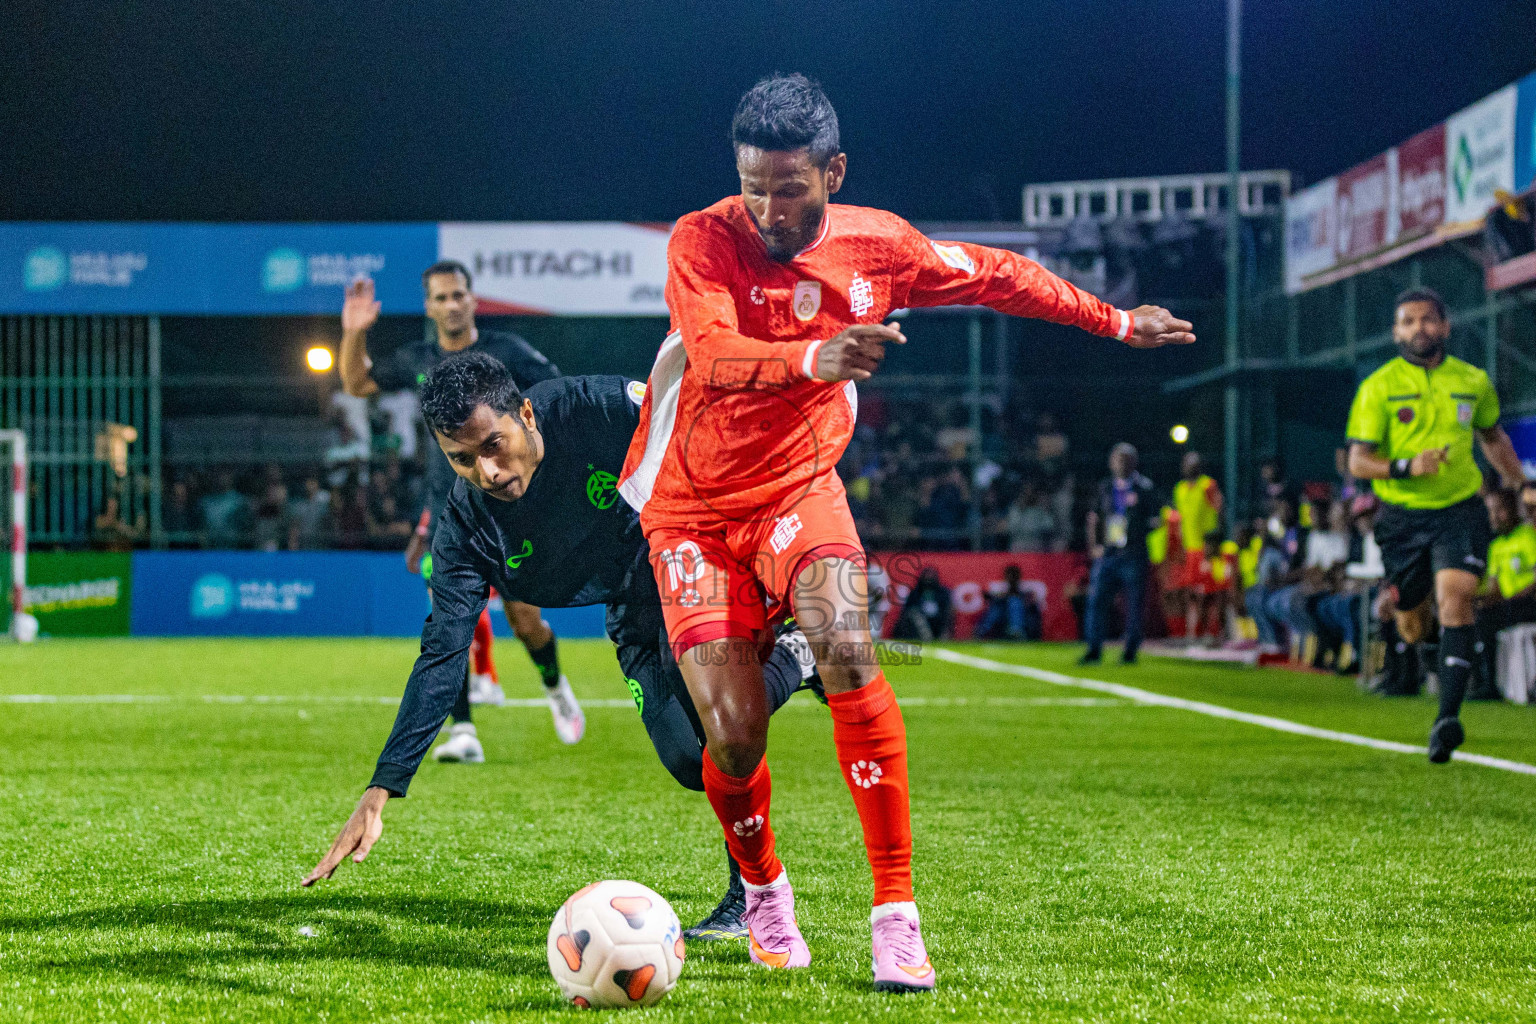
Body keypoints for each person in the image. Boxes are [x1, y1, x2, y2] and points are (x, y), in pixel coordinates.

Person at [617, 73, 1194, 990]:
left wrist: (1118, 321)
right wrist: (818, 354)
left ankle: (896, 913)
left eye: (790, 186)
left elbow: (999, 276)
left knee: (847, 646)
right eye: (752, 184)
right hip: (689, 508)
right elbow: (717, 355)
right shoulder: (703, 238)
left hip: (801, 488)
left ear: (834, 171)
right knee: (731, 739)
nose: (767, 206)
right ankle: (765, 889)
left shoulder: (878, 248)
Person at [302, 355, 824, 942]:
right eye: (464, 459)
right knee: (686, 759)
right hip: (628, 605)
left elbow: (706, 430)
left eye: (495, 444)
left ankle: (751, 896)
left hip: (683, 556)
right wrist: (382, 786)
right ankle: (797, 659)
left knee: (716, 722)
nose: (489, 471)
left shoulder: (595, 408)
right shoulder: (465, 530)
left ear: (525, 414)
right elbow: (442, 654)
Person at [339, 261, 584, 757]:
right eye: (441, 298)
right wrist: (353, 335)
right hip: (447, 511)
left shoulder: (506, 352)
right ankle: (464, 732)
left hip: (512, 508)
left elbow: (560, 397)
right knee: (450, 623)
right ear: (428, 307)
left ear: (473, 300)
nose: (451, 305)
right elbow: (357, 383)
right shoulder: (418, 359)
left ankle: (556, 689)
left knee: (525, 621)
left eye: (458, 295)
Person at [1345, 286, 1532, 762]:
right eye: (1408, 321)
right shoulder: (1378, 387)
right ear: (1395, 332)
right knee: (1410, 619)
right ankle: (1428, 643)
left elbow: (1493, 438)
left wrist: (1521, 483)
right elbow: (1359, 463)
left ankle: (1446, 718)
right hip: (1401, 517)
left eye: (1428, 319)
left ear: (1445, 326)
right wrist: (1408, 467)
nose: (1419, 328)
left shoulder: (1473, 380)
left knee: (1457, 597)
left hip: (1459, 508)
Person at [1080, 442, 1157, 665]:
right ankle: (1093, 648)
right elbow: (1093, 519)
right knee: (1096, 601)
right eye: (1118, 459)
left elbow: (1155, 519)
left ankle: (1130, 650)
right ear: (1111, 462)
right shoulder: (1105, 487)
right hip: (1109, 553)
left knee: (1134, 604)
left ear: (1134, 462)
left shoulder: (1144, 488)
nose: (1121, 464)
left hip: (1133, 554)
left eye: (1126, 459)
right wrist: (1094, 545)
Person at [1473, 488, 1536, 699]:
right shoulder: (1496, 546)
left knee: (1488, 618)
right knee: (1475, 616)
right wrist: (1479, 601)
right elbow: (1494, 587)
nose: (1495, 517)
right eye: (1490, 511)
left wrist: (1511, 598)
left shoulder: (1528, 535)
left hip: (1529, 602)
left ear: (1513, 510)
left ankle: (1490, 684)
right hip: (1509, 605)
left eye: (1499, 510)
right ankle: (1483, 682)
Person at [1172, 451, 1222, 644]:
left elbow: (1219, 511)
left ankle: (1213, 633)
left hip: (1206, 549)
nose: (1189, 467)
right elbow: (1180, 520)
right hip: (1189, 549)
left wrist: (1214, 544)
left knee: (1210, 593)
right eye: (1186, 463)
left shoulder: (1208, 485)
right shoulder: (1180, 489)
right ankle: (1193, 633)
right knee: (1191, 593)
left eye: (1194, 463)